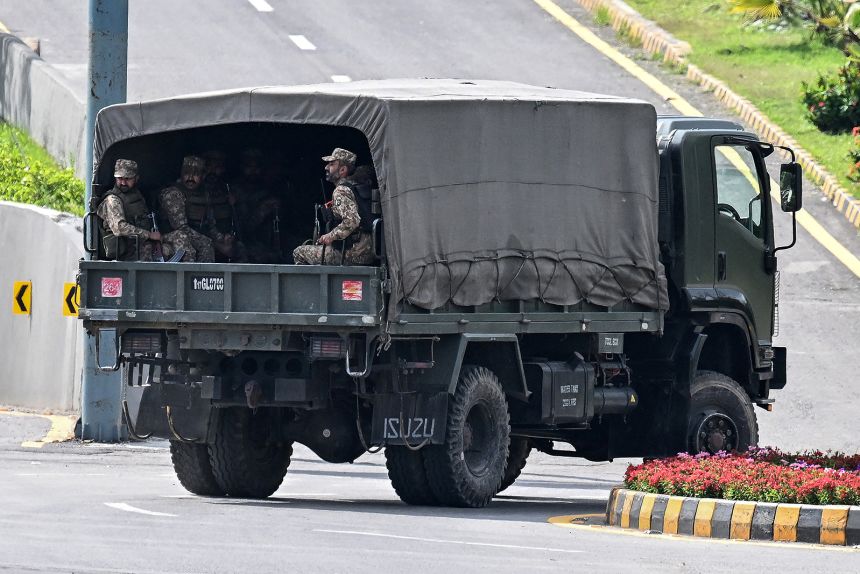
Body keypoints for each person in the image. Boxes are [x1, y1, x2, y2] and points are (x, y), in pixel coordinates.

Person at [293, 148, 375, 265]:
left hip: (352, 253)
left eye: (332, 164)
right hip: (366, 251)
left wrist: (330, 236)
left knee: (299, 252)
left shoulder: (341, 190)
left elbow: (352, 221)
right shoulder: (357, 187)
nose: (326, 168)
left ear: (342, 170)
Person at [97, 159, 190, 261]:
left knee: (181, 237)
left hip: (141, 244)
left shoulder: (137, 195)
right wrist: (149, 235)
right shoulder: (113, 200)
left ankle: (189, 275)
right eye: (120, 178)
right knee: (159, 250)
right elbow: (120, 227)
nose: (123, 182)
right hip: (127, 251)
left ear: (136, 178)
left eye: (127, 179)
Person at [159, 156, 216, 263]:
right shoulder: (173, 194)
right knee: (197, 242)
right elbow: (180, 227)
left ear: (203, 176)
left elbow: (210, 224)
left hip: (193, 234)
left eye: (195, 174)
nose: (190, 178)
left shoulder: (204, 194)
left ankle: (204, 278)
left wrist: (220, 238)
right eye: (186, 173)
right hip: (170, 237)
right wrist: (204, 240)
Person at [231, 149, 283, 263]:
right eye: (249, 166)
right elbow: (243, 228)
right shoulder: (235, 191)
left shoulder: (265, 190)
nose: (253, 171)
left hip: (265, 242)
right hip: (244, 243)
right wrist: (262, 211)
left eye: (257, 167)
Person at [203, 150, 246, 262]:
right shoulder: (198, 190)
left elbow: (239, 222)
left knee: (240, 248)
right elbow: (203, 225)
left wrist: (230, 236)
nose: (213, 170)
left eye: (218, 166)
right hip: (205, 237)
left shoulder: (225, 189)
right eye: (210, 165)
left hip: (224, 236)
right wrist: (220, 239)